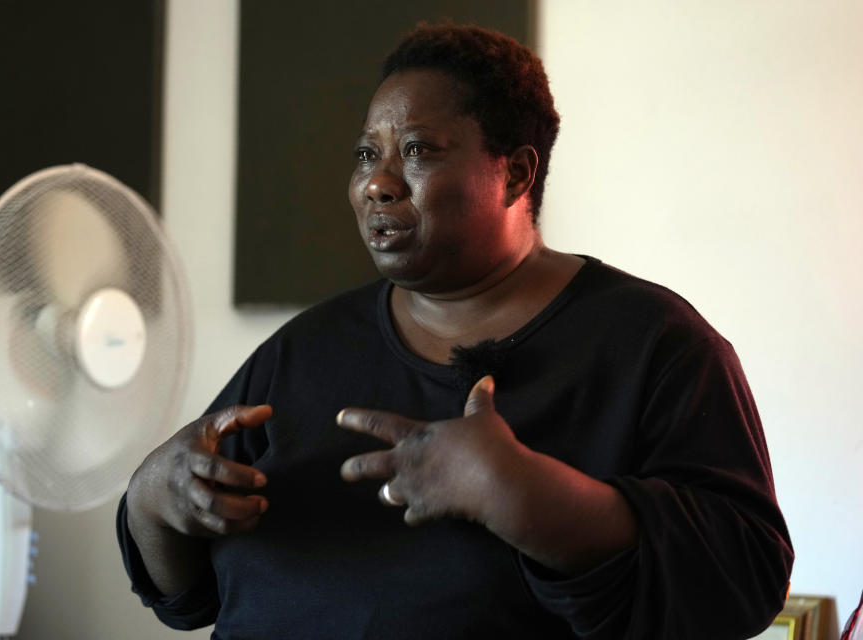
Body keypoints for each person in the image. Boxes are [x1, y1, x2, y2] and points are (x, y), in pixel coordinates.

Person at [118, 23, 793, 639]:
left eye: (416, 150)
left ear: (516, 172)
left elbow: (747, 581)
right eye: (365, 155)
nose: (376, 183)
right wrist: (154, 501)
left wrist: (527, 496)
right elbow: (187, 596)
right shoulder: (300, 353)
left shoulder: (655, 345)